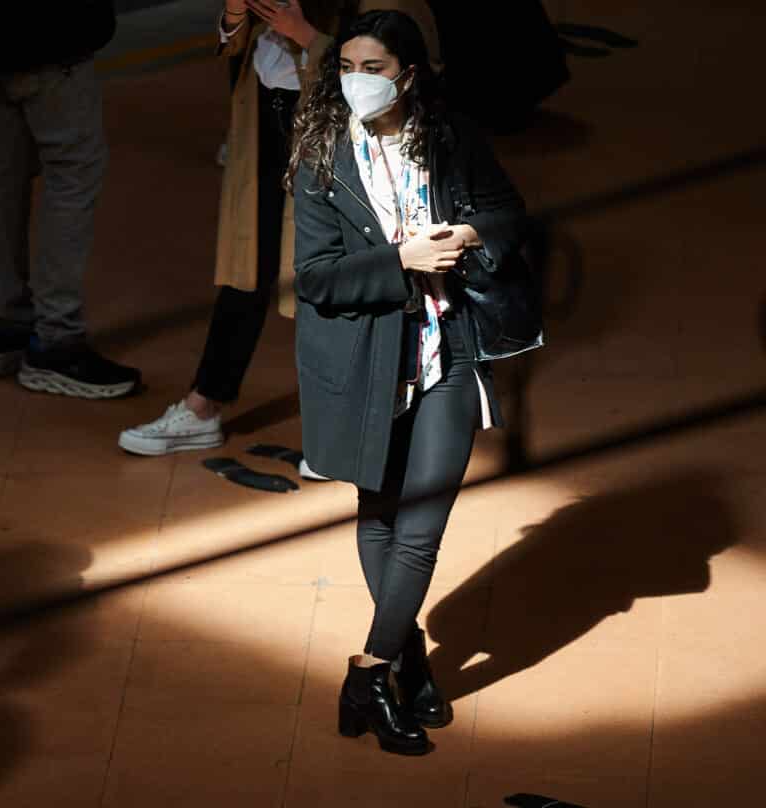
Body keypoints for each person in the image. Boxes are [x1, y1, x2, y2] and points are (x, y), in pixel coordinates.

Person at [286, 10, 528, 754]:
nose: (357, 81)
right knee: (379, 510)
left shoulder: (450, 137)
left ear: (409, 74)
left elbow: (510, 214)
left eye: (374, 68)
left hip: (447, 349)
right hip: (365, 360)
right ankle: (409, 662)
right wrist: (402, 261)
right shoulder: (322, 156)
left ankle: (367, 672)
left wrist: (469, 235)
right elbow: (318, 279)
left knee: (420, 527)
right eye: (347, 68)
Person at [117, 0, 438, 482]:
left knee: (333, 275)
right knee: (247, 266)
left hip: (337, 134)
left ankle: (345, 431)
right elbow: (233, 51)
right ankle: (204, 403)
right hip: (267, 125)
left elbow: (391, 62)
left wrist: (304, 33)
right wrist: (234, 14)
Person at [0, 0, 142, 399]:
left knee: (5, 175)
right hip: (51, 35)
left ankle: (8, 326)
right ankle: (57, 340)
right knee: (72, 175)